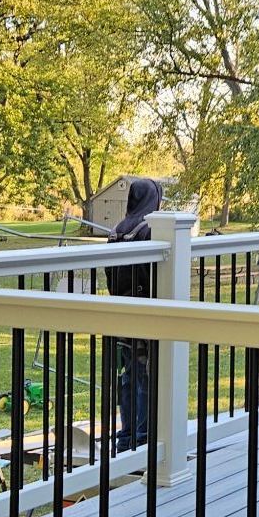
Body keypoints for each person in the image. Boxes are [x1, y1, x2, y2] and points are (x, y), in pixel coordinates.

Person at [105, 177, 164, 451]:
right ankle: (142, 438)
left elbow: (109, 271)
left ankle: (125, 437)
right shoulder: (149, 230)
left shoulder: (117, 230)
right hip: (144, 314)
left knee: (127, 376)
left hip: (121, 313)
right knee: (144, 376)